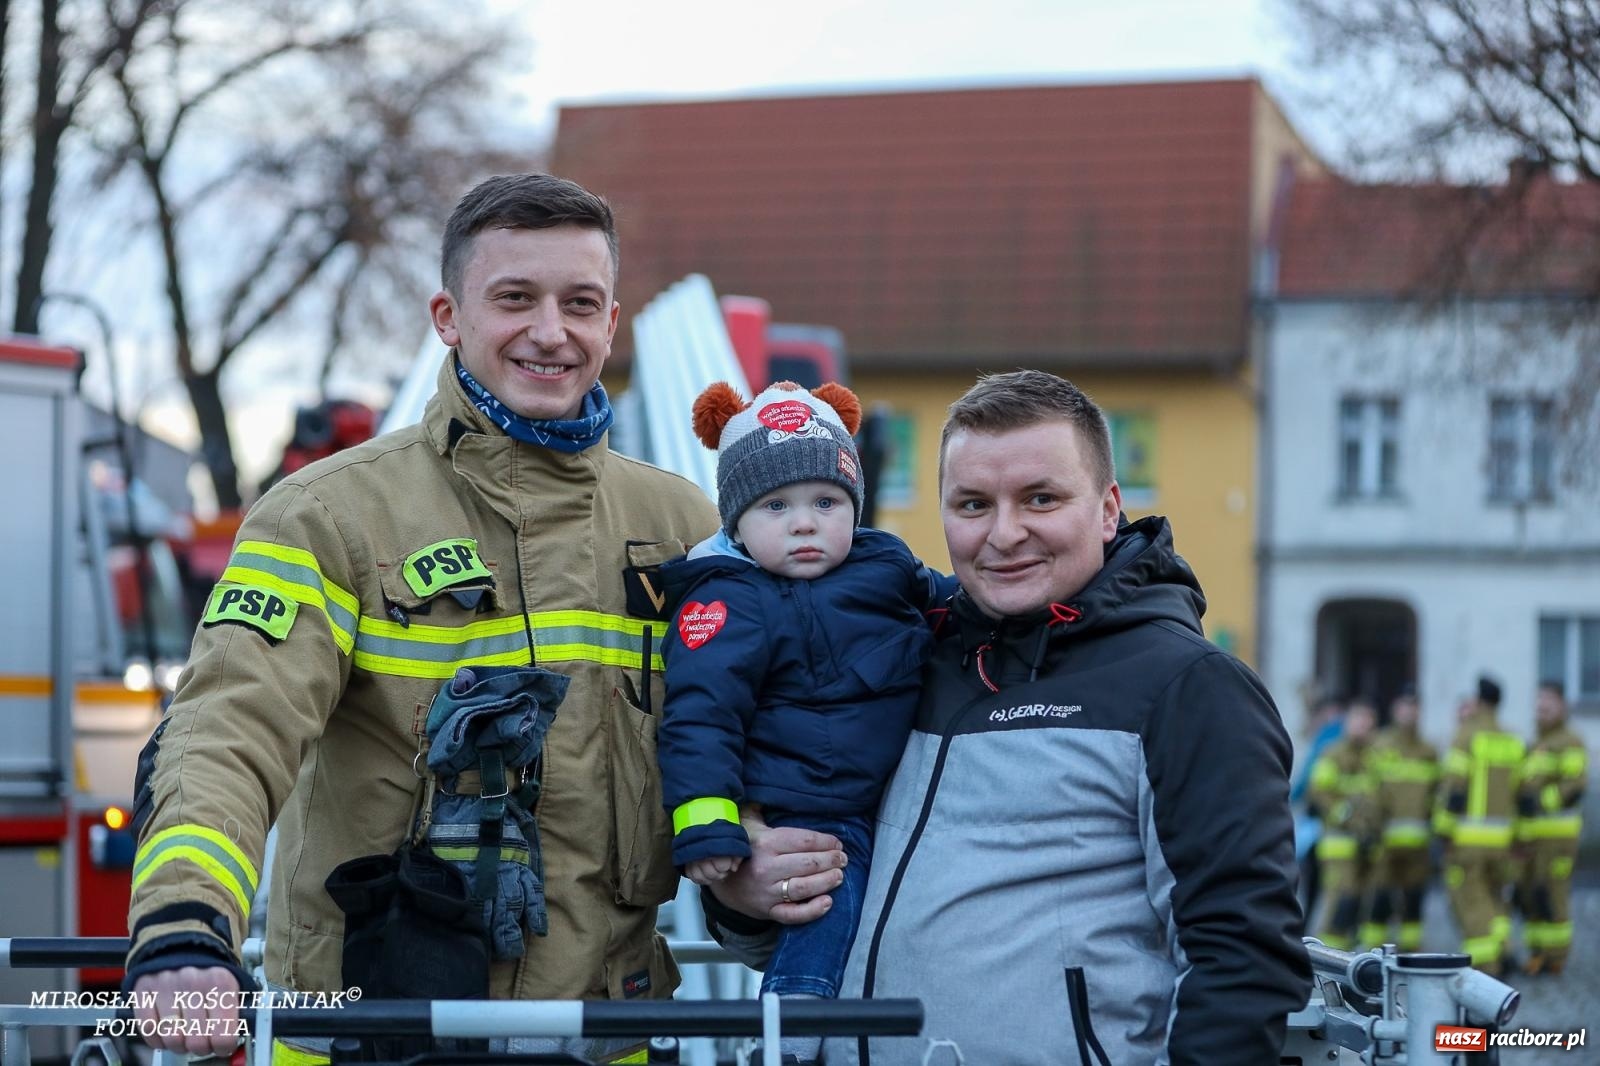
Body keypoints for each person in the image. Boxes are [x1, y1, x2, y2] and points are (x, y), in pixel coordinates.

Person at [123, 174, 720, 1062]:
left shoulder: (685, 528)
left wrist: (764, 879)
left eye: (580, 303)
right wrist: (182, 920)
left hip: (609, 1035)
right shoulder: (327, 516)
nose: (551, 332)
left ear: (611, 320)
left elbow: (759, 732)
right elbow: (227, 730)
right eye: (514, 299)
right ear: (448, 316)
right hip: (369, 1034)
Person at [703, 370, 1311, 1065]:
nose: (1005, 533)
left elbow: (1242, 965)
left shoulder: (1189, 687)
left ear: (1109, 509)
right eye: (972, 504)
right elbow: (807, 912)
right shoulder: (905, 661)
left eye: (1040, 499)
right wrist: (747, 894)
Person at [657, 380, 952, 1065]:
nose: (804, 523)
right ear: (736, 522)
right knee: (826, 906)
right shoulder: (725, 605)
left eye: (826, 502)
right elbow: (700, 720)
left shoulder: (885, 562)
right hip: (812, 806)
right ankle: (788, 1037)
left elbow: (957, 608)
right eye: (776, 506)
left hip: (903, 800)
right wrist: (708, 823)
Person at [1435, 675, 1524, 974]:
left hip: (1468, 840)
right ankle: (1506, 949)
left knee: (1472, 902)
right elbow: (1521, 791)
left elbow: (1454, 789)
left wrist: (1443, 831)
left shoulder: (1467, 735)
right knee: (1496, 899)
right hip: (1502, 839)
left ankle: (1487, 967)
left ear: (1479, 701)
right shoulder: (1512, 740)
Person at [1512, 680, 1587, 974]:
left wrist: (1543, 801)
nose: (1542, 706)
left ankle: (1555, 957)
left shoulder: (1570, 741)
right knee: (1531, 894)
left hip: (1558, 838)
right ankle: (1537, 953)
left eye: (1549, 701)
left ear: (1562, 706)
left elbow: (1575, 784)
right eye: (1539, 700)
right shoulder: (1535, 744)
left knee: (1553, 894)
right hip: (1533, 837)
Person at [1361, 687, 1438, 951]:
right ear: (1395, 711)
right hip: (1384, 839)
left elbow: (1436, 794)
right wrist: (1369, 828)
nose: (1410, 713)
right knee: (1380, 895)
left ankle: (1410, 951)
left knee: (1414, 895)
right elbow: (1370, 791)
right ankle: (1373, 952)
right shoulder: (1380, 747)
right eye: (1405, 707)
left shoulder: (1428, 751)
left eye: (1414, 707)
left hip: (1418, 842)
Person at [1306, 698, 1379, 949]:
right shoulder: (1333, 753)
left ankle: (1349, 960)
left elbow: (1381, 795)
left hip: (1367, 845)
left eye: (1368, 722)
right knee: (1340, 904)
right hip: (1339, 844)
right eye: (1358, 720)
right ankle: (1329, 961)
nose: (1363, 727)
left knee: (1359, 906)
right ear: (1348, 723)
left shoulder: (1375, 756)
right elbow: (1319, 792)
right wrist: (1346, 816)